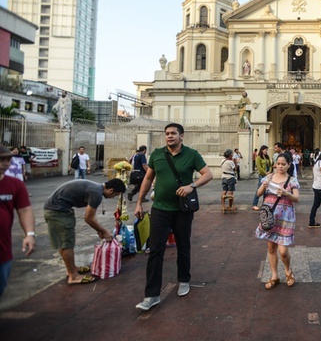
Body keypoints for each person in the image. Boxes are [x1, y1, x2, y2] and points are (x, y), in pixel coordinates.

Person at [134, 123, 213, 311]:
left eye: (173, 133)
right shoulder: (157, 155)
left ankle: (184, 279)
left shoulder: (191, 154)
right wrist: (139, 202)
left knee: (183, 245)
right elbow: (147, 178)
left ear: (181, 136)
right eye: (167, 134)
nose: (169, 136)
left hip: (182, 209)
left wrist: (191, 186)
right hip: (160, 208)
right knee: (155, 249)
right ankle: (152, 295)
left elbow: (208, 174)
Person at [44, 178, 126, 285]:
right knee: (66, 243)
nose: (113, 197)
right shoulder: (96, 193)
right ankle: (73, 276)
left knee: (65, 241)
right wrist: (104, 231)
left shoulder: (96, 188)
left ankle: (72, 268)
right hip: (57, 211)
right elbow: (88, 218)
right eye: (115, 195)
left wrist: (99, 230)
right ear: (110, 190)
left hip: (56, 208)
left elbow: (91, 218)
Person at [255, 152, 300, 290]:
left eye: (283, 164)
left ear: (288, 165)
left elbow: (297, 198)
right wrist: (264, 185)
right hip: (270, 216)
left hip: (285, 219)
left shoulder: (291, 180)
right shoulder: (269, 177)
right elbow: (258, 194)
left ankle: (287, 270)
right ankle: (274, 275)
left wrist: (287, 193)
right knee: (271, 248)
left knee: (283, 251)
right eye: (278, 164)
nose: (280, 166)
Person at [0, 146, 35, 297]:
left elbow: (25, 210)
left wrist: (30, 234)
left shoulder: (15, 185)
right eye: (2, 159)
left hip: (3, 250)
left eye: (8, 159)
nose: (6, 163)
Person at [252, 145, 272, 211]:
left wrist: (270, 171)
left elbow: (270, 165)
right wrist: (265, 173)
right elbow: (259, 167)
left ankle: (264, 204)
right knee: (259, 189)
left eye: (267, 150)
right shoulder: (258, 157)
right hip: (262, 175)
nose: (266, 151)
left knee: (266, 190)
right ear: (262, 150)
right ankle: (254, 204)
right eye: (265, 150)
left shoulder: (267, 157)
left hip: (268, 175)